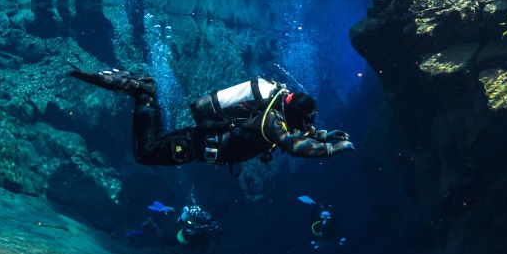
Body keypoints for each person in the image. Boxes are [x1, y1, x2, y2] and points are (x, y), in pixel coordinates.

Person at [69, 68, 355, 166]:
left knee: (153, 143)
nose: (308, 127)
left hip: (198, 143)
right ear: (294, 113)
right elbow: (293, 145)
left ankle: (145, 92)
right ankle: (144, 93)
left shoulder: (276, 111)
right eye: (307, 121)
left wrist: (321, 136)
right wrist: (329, 149)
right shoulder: (272, 121)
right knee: (145, 153)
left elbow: (300, 134)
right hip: (194, 147)